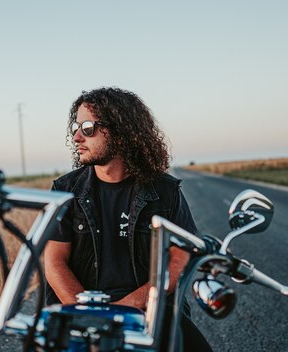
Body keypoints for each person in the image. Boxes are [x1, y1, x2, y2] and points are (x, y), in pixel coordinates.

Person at [44, 87, 212, 351]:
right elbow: (54, 262)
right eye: (75, 127)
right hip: (79, 312)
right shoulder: (66, 191)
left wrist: (127, 308)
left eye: (87, 127)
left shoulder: (165, 191)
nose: (77, 136)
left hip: (152, 313)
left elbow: (179, 261)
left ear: (121, 133)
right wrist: (90, 314)